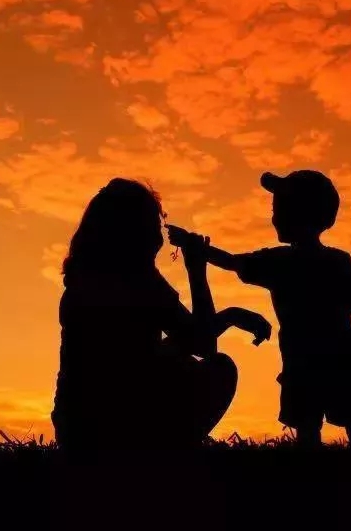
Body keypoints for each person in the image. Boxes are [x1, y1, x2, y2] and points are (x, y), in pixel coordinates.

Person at [51, 178, 271, 458]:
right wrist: (196, 270)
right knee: (220, 368)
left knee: (172, 357)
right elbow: (203, 344)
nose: (160, 235)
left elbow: (149, 348)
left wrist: (230, 317)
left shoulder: (81, 279)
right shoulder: (142, 282)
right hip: (123, 428)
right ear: (135, 232)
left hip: (76, 429)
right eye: (155, 224)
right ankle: (174, 447)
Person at [168, 170, 351, 450]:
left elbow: (232, 262)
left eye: (279, 210)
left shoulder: (280, 262)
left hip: (304, 358)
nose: (274, 218)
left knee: (310, 421)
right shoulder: (338, 260)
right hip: (339, 356)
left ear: (299, 214)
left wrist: (197, 249)